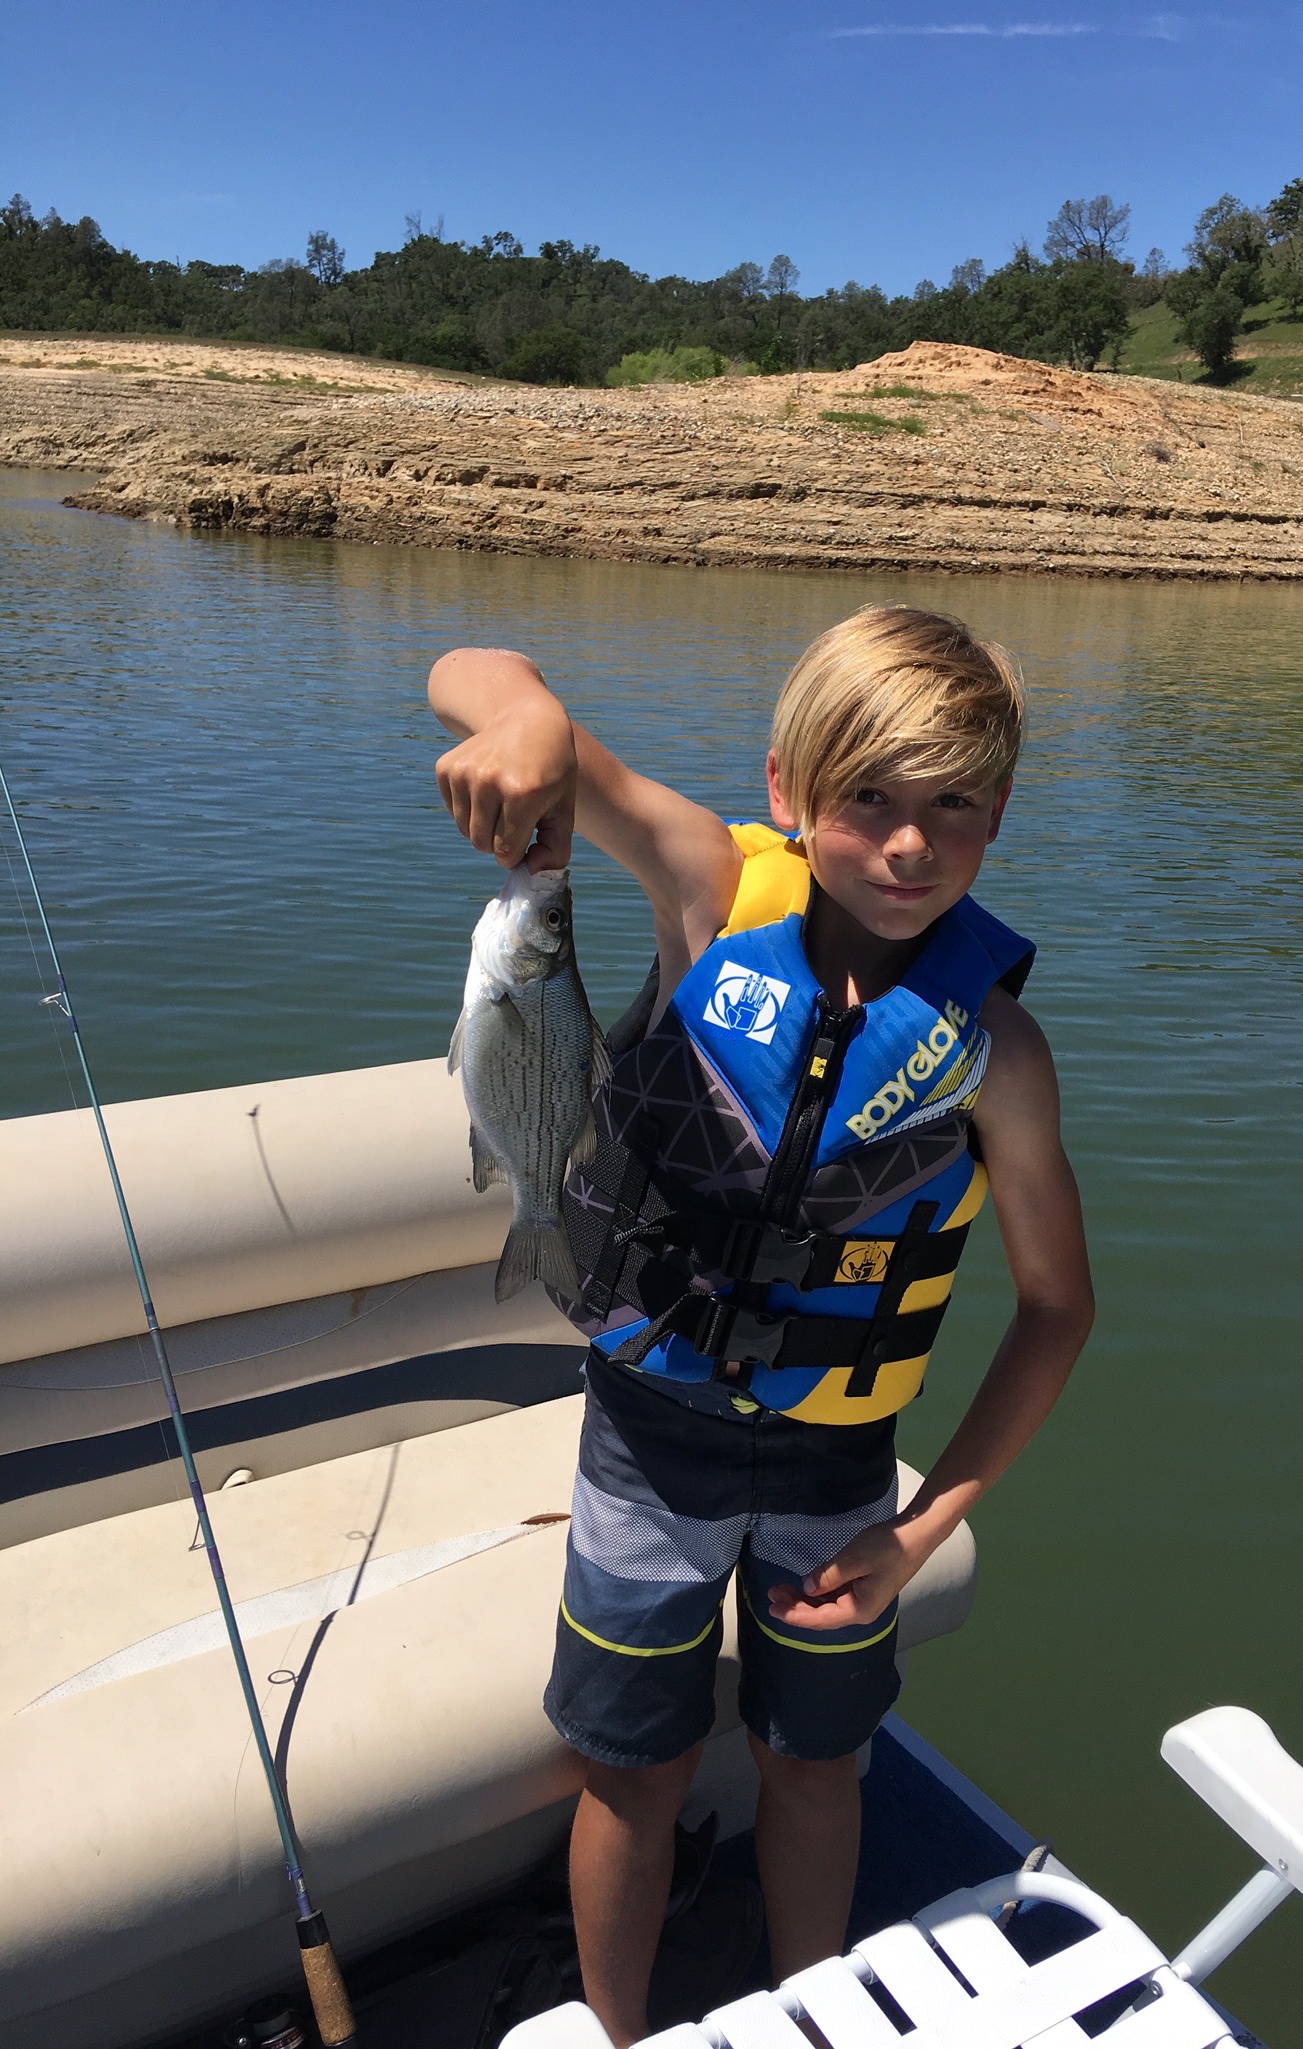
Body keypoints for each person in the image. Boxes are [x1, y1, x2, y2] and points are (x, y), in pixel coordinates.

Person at [429, 606, 1094, 2048]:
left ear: (996, 817)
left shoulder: (998, 1055)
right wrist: (528, 725)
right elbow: (473, 671)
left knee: (814, 1767)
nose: (909, 846)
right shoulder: (702, 888)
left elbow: (1056, 1309)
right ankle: (615, 2025)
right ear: (790, 790)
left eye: (953, 808)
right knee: (633, 1771)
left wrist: (917, 1531)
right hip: (646, 1447)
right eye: (868, 800)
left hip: (837, 1477)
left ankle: (815, 2008)